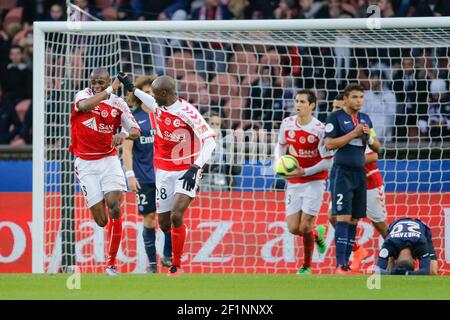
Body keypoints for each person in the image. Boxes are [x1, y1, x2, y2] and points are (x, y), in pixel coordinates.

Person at [118, 74, 216, 276]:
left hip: (187, 170)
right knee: (163, 222)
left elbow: (210, 141)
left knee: (177, 214)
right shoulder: (158, 105)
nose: (152, 97)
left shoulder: (187, 112)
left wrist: (196, 167)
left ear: (164, 93)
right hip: (163, 171)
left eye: (155, 93)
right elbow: (148, 100)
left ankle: (175, 264)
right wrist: (132, 88)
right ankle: (170, 251)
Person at [68, 68, 141, 276]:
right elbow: (83, 107)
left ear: (107, 81)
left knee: (114, 205)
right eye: (94, 82)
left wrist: (124, 134)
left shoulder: (118, 104)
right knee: (101, 220)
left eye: (101, 82)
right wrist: (110, 89)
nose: (96, 85)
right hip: (85, 164)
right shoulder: (83, 95)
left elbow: (136, 131)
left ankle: (111, 265)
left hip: (109, 161)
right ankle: (109, 255)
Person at [328, 94, 389, 271]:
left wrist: (349, 159)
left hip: (368, 181)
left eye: (339, 108)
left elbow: (375, 154)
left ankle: (400, 253)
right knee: (334, 216)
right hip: (344, 180)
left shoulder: (360, 126)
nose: (336, 111)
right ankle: (357, 251)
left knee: (379, 224)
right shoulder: (332, 128)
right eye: (334, 107)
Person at [274, 89, 332, 275]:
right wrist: (279, 163)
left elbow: (328, 160)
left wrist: (305, 171)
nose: (298, 105)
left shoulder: (319, 130)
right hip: (294, 180)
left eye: (302, 102)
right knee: (293, 228)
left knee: (305, 226)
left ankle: (307, 265)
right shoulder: (287, 124)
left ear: (312, 105)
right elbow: (281, 145)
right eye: (296, 101)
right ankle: (317, 233)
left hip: (315, 181)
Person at [122, 75, 172, 273]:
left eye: (153, 92)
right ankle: (152, 265)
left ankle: (168, 256)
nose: (151, 95)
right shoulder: (133, 118)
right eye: (147, 92)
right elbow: (126, 149)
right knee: (150, 217)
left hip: (166, 175)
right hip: (144, 177)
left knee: (168, 217)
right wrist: (130, 175)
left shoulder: (166, 115)